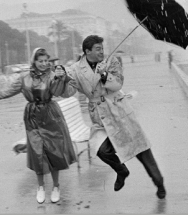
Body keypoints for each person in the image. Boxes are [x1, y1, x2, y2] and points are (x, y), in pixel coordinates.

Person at [67, 35, 166, 199]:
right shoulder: (76, 69)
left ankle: (159, 183)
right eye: (98, 49)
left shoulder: (111, 62)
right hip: (100, 116)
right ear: (87, 51)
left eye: (102, 48)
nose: (102, 52)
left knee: (141, 149)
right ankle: (121, 170)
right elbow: (68, 91)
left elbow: (118, 84)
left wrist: (104, 75)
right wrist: (61, 80)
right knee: (100, 149)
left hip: (119, 111)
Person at [0, 48, 77, 204]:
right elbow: (8, 91)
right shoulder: (24, 78)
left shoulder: (52, 75)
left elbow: (61, 93)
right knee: (37, 151)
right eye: (40, 61)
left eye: (46, 61)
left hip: (51, 116)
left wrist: (63, 79)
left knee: (54, 152)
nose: (44, 64)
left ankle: (56, 186)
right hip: (32, 117)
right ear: (34, 62)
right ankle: (41, 187)